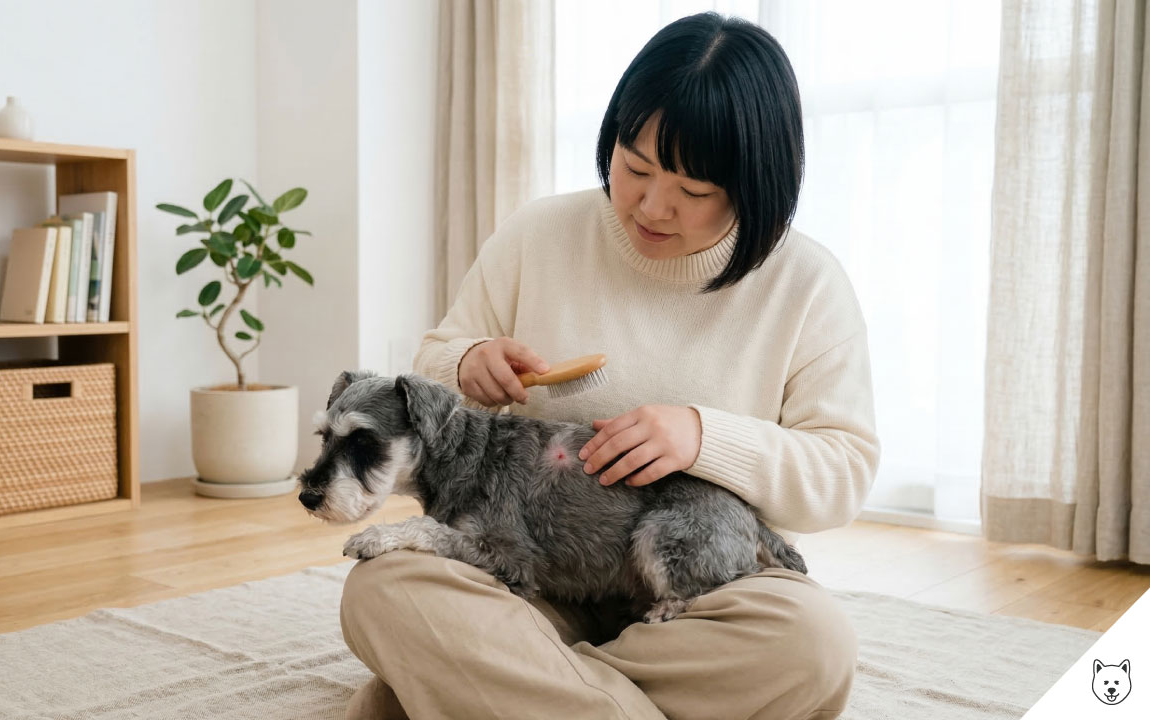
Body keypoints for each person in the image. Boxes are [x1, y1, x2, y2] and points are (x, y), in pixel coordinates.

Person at [340, 11, 879, 720]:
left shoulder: (807, 282)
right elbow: (432, 368)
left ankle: (508, 690)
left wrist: (703, 437)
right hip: (525, 573)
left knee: (814, 645)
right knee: (381, 588)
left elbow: (841, 472)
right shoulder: (539, 233)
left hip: (699, 598)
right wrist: (470, 363)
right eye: (635, 168)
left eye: (693, 192)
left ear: (756, 183)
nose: (653, 207)